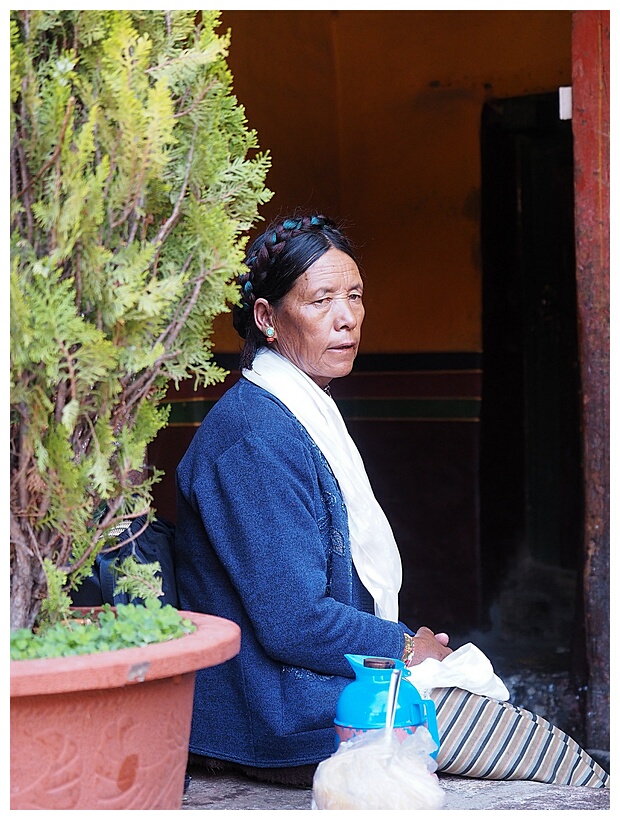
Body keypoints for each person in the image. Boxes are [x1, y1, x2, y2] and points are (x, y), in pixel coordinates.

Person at [174, 212, 608, 789]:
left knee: (553, 754)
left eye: (354, 296)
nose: (347, 318)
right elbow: (293, 622)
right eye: (321, 299)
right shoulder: (254, 437)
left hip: (321, 686)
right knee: (565, 770)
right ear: (267, 318)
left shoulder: (295, 411)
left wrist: (409, 646)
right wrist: (405, 647)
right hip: (281, 709)